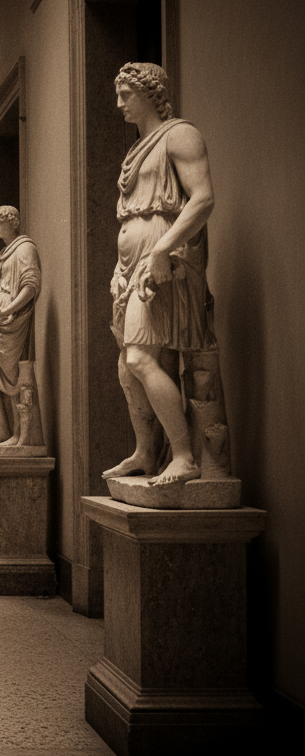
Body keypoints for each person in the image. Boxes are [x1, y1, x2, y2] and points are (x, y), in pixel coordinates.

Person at [103, 62, 215, 486]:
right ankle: (147, 452)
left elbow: (202, 199)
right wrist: (120, 268)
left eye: (126, 94)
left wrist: (162, 250)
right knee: (127, 365)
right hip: (132, 266)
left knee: (140, 357)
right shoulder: (138, 148)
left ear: (151, 93)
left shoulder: (180, 135)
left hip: (162, 262)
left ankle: (184, 456)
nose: (119, 103)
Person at [0, 206, 41, 445]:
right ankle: (4, 428)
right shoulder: (4, 253)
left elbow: (30, 287)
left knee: (14, 379)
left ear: (12, 223)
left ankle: (19, 434)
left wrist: (9, 310)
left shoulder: (25, 249)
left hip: (14, 323)